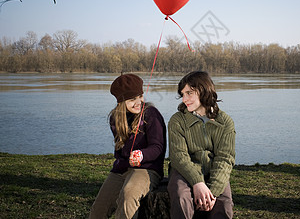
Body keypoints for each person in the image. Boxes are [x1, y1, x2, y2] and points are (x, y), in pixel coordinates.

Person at [89, 73, 166, 219]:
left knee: (128, 194)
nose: (138, 102)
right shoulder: (115, 118)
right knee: (99, 207)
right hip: (121, 169)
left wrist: (142, 155)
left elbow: (157, 147)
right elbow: (120, 151)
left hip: (147, 169)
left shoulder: (151, 114)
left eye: (140, 96)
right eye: (132, 99)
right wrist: (125, 159)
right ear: (121, 101)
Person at [167, 71, 235, 219]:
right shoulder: (177, 120)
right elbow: (178, 156)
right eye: (182, 94)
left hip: (214, 171)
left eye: (189, 93)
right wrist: (197, 182)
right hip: (183, 172)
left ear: (203, 91)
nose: (184, 99)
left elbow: (225, 158)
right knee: (181, 196)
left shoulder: (225, 122)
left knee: (224, 204)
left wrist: (213, 192)